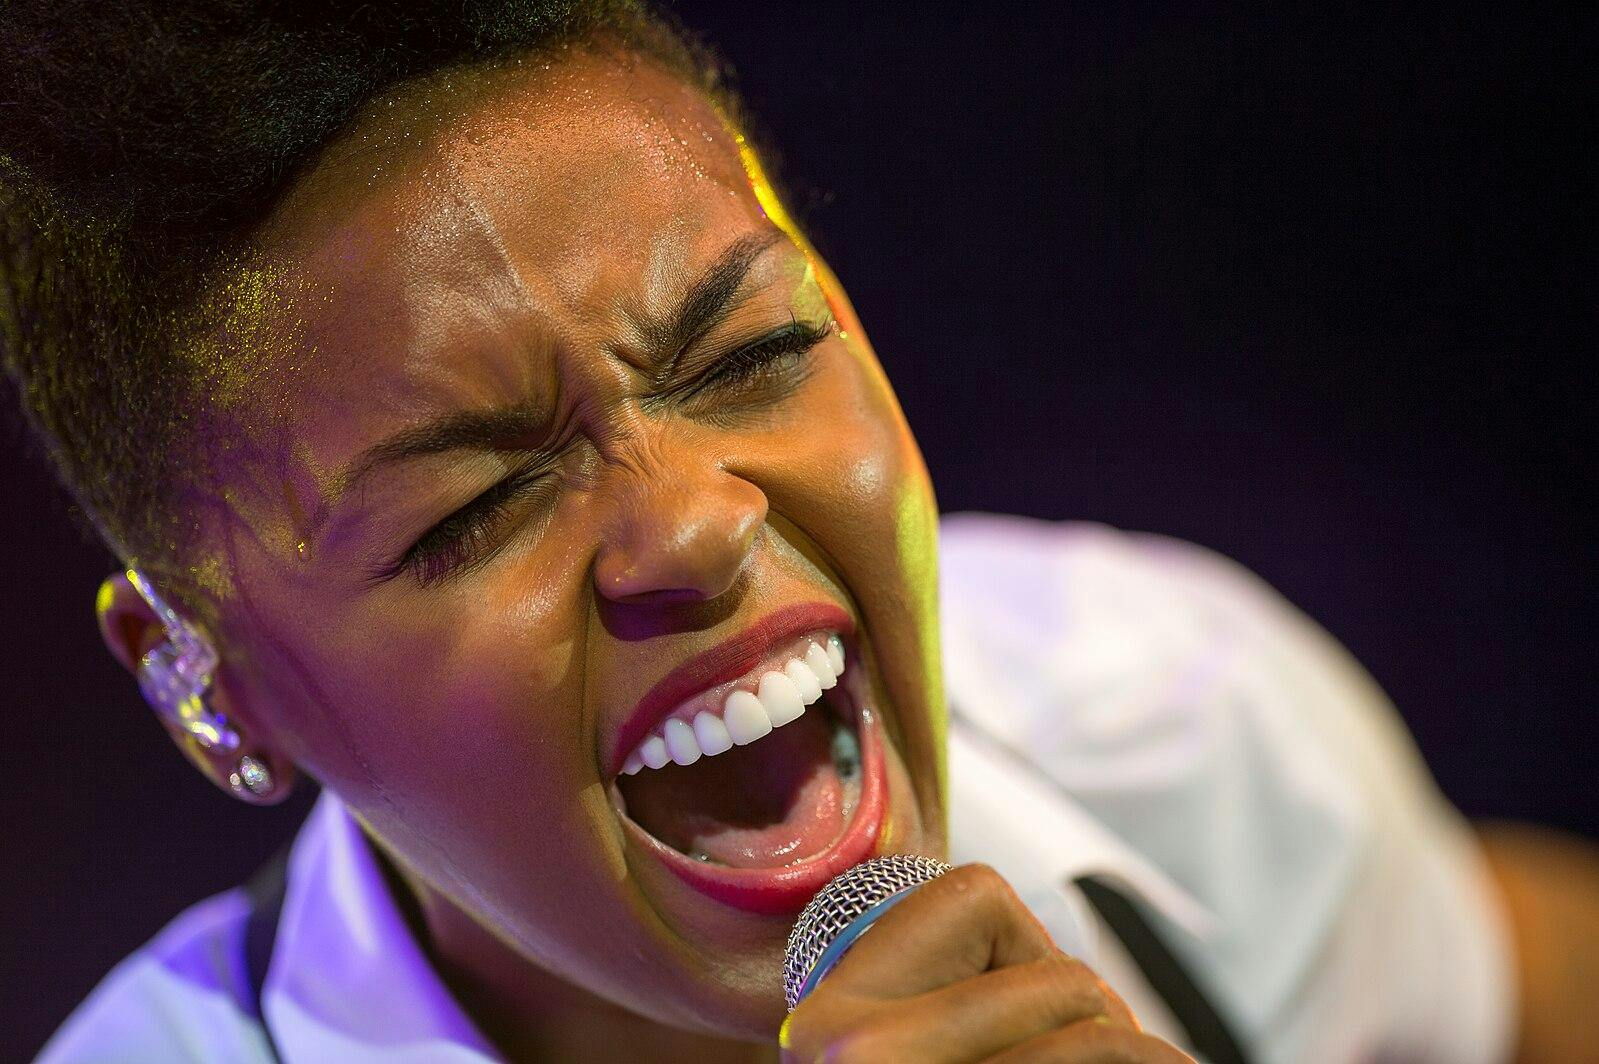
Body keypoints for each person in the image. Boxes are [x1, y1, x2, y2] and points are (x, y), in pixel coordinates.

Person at [3, 3, 1595, 1061]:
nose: (692, 526)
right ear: (209, 682)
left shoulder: (1152, 718)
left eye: (750, 354)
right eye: (478, 502)